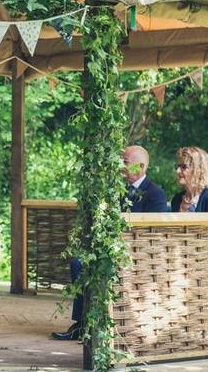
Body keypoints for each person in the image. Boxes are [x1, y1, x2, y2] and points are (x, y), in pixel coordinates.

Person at [52, 145, 168, 341]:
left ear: (140, 166)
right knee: (78, 263)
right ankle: (82, 323)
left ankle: (97, 325)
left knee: (88, 265)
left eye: (125, 162)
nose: (120, 166)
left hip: (137, 255)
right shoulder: (118, 190)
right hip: (111, 249)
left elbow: (153, 233)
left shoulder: (155, 193)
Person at [171, 146, 208, 213]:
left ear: (199, 170)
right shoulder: (176, 199)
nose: (178, 171)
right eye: (177, 166)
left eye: (183, 167)